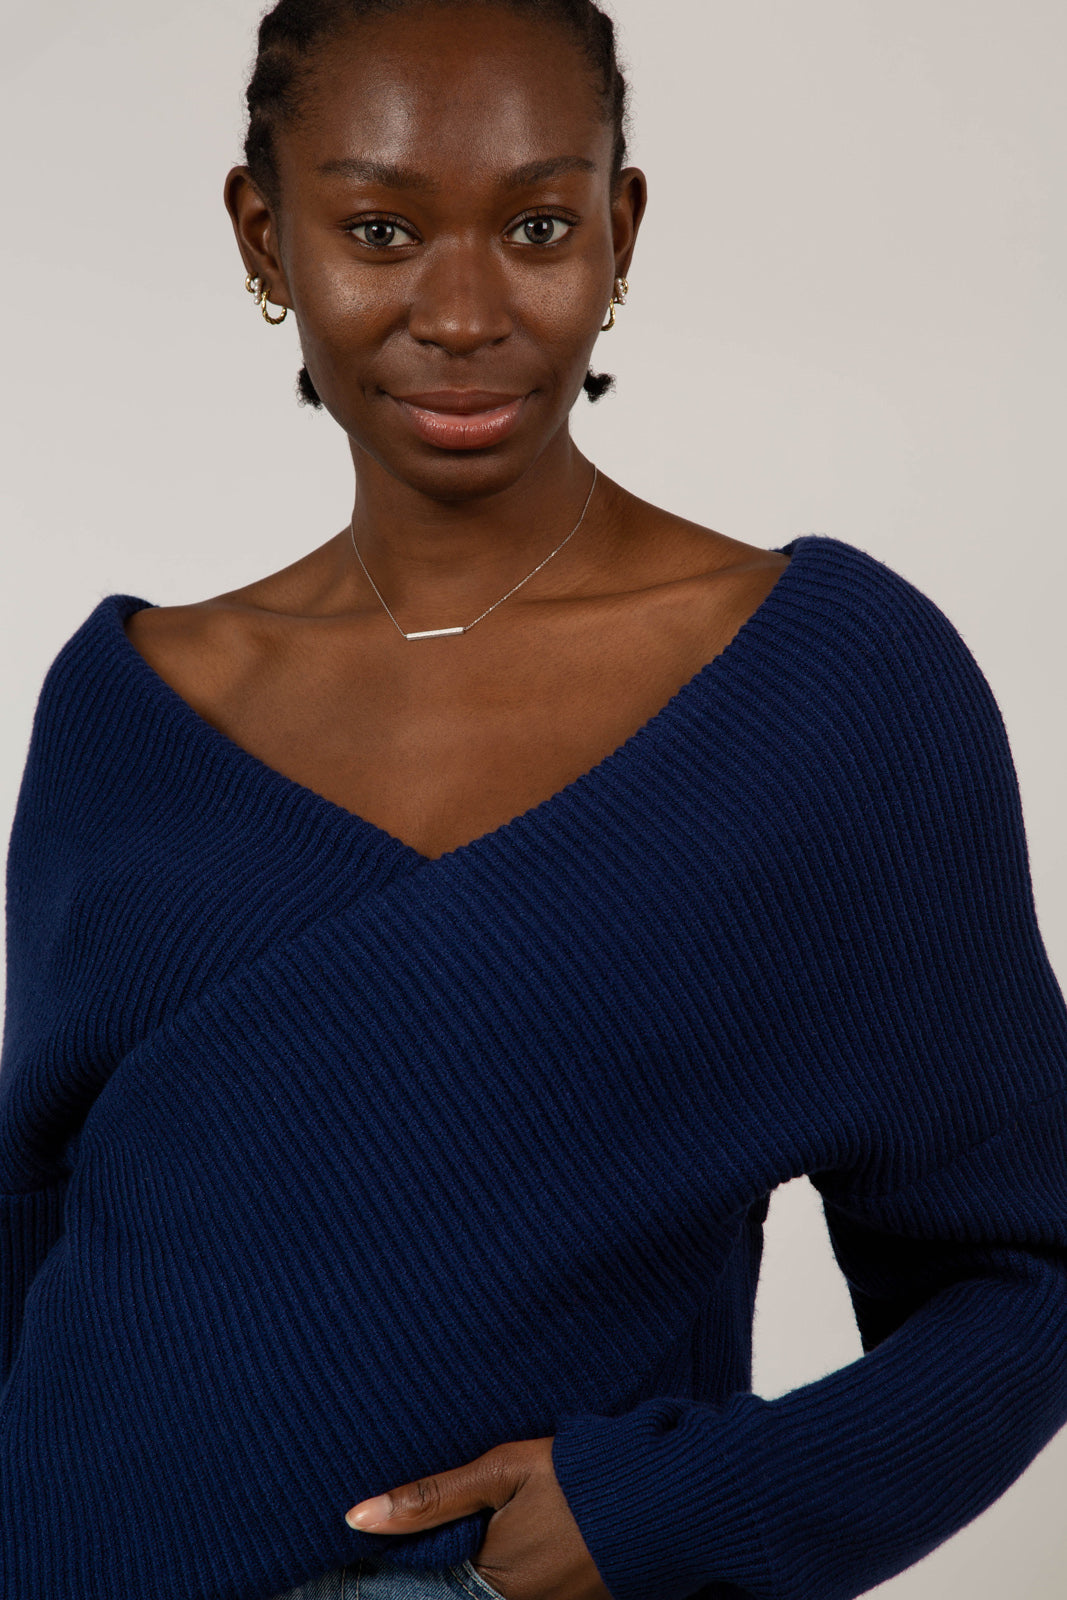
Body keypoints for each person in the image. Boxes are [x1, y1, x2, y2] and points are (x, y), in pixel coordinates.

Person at [1, 2, 1065, 1599]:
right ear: (265, 236)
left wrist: (671, 1512)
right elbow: (29, 1224)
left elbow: (1029, 1267)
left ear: (619, 231)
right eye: (379, 230)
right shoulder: (126, 703)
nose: (462, 312)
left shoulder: (829, 691)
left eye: (538, 227)